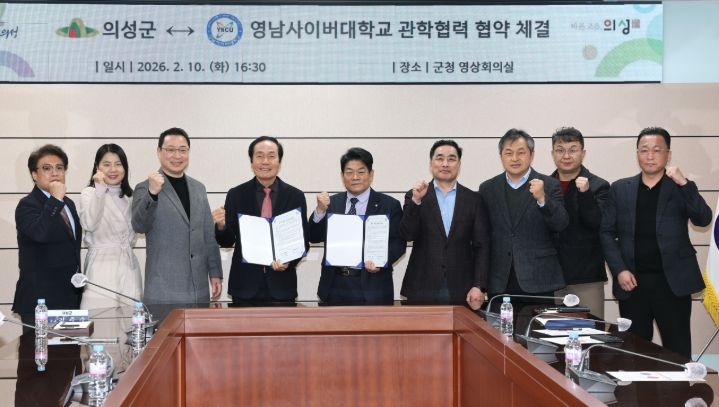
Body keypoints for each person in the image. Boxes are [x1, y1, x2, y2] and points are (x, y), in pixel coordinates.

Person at [600, 127, 712, 358]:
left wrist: (684, 183)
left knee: (677, 351)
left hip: (672, 283)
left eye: (657, 150)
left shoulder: (680, 187)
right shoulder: (620, 188)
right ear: (637, 154)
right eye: (644, 150)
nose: (650, 156)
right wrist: (619, 270)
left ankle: (678, 384)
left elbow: (703, 219)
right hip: (632, 284)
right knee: (634, 352)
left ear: (668, 155)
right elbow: (606, 232)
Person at [213, 136, 309, 304]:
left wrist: (289, 261)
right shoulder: (236, 194)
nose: (265, 161)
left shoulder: (295, 196)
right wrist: (221, 226)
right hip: (244, 287)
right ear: (251, 161)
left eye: (271, 156)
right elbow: (227, 241)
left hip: (282, 286)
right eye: (259, 156)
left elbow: (303, 242)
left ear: (279, 162)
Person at [132, 127, 222, 304]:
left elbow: (208, 234)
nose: (177, 156)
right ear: (159, 152)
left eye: (182, 150)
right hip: (163, 289)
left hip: (198, 288)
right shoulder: (145, 187)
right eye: (170, 150)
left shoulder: (199, 188)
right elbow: (139, 225)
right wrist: (152, 194)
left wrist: (215, 272)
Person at [479, 129, 568, 303]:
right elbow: (482, 236)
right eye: (508, 153)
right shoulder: (487, 188)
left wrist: (543, 198)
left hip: (539, 279)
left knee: (538, 322)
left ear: (531, 155)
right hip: (499, 280)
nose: (515, 158)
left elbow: (561, 224)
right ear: (501, 156)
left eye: (521, 152)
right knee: (498, 322)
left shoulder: (549, 185)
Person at [400, 140, 490, 309]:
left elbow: (482, 246)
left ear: (459, 164)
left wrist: (479, 285)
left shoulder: (474, 200)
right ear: (431, 163)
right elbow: (408, 234)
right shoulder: (415, 196)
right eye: (440, 158)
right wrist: (416, 201)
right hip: (422, 286)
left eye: (451, 159)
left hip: (463, 288)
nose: (445, 164)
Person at [309, 148, 406, 305]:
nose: (355, 177)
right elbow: (313, 237)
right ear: (342, 176)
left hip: (373, 286)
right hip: (334, 286)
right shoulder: (331, 204)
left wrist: (380, 261)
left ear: (371, 174)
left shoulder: (389, 205)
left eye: (361, 172)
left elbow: (398, 243)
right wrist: (320, 210)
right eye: (349, 172)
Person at [13, 144, 82, 327]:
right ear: (34, 174)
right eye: (46, 168)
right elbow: (40, 233)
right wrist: (55, 200)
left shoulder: (69, 204)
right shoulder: (27, 205)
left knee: (71, 347)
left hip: (70, 297)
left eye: (59, 168)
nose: (55, 173)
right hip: (40, 301)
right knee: (36, 347)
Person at [550, 127, 610, 318]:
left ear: (583, 153)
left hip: (586, 277)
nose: (566, 156)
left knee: (591, 330)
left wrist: (585, 194)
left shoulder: (598, 185)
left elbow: (597, 223)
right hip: (551, 277)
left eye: (573, 150)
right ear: (553, 154)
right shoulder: (545, 186)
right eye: (560, 150)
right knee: (550, 332)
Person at [78, 144, 142, 310]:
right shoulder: (89, 193)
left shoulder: (131, 196)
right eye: (106, 164)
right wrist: (99, 189)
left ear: (125, 167)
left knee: (131, 318)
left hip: (129, 265)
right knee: (100, 317)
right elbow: (89, 224)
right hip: (101, 265)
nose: (113, 169)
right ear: (97, 167)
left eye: (118, 164)